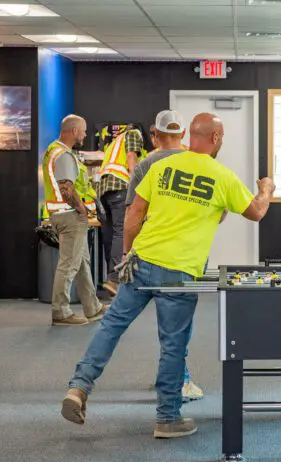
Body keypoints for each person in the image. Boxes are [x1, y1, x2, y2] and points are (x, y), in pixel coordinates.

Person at [61, 113, 275, 439]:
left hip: (143, 260)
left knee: (112, 326)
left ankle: (78, 387)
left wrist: (128, 254)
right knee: (173, 344)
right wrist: (267, 188)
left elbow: (134, 212)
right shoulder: (222, 175)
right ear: (216, 138)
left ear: (191, 135)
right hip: (180, 271)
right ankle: (167, 417)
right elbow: (257, 212)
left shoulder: (158, 167)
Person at [124, 110, 204, 402]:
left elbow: (133, 213)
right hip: (186, 255)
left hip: (151, 254)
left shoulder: (144, 164)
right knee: (178, 323)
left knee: (144, 321)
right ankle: (178, 380)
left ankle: (170, 376)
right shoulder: (198, 163)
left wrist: (127, 253)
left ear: (153, 134)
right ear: (183, 134)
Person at [42, 114, 108, 326]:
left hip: (63, 214)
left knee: (80, 262)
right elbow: (66, 189)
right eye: (83, 130)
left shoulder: (54, 150)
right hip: (70, 216)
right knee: (69, 264)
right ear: (73, 131)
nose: (86, 134)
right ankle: (60, 311)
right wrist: (81, 209)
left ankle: (92, 307)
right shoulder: (63, 155)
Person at [97, 124, 145, 297]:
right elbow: (132, 159)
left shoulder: (113, 144)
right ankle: (115, 279)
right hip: (120, 186)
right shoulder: (133, 134)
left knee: (111, 234)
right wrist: (139, 189)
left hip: (104, 191)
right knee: (122, 232)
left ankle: (111, 278)